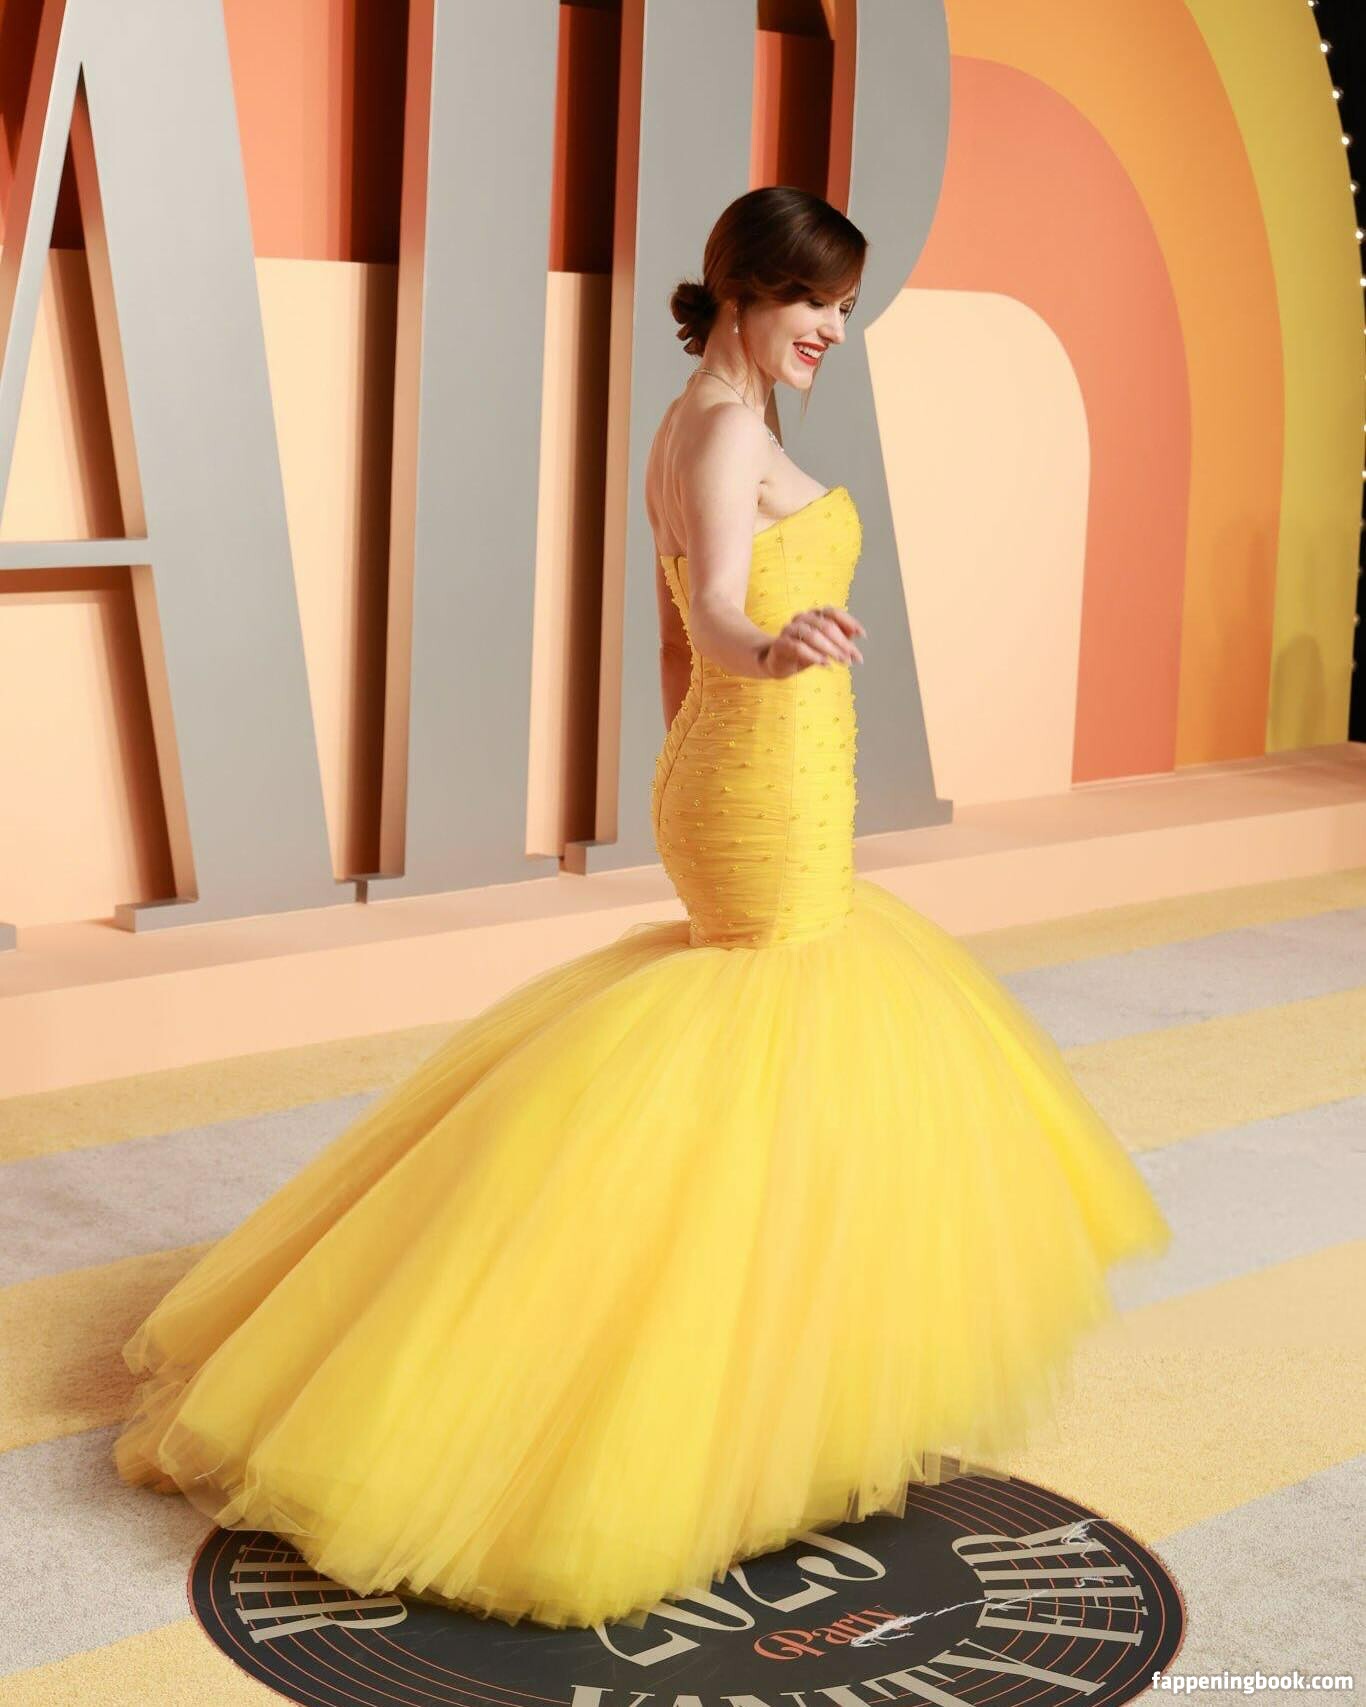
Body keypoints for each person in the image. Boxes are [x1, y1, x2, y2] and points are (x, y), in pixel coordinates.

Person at [112, 186, 1170, 1633]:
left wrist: (709, 737)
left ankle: (769, 1386)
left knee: (774, 1073)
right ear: (746, 291)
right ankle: (687, 1414)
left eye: (845, 311)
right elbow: (718, 610)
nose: (833, 332)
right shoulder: (724, 432)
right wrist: (770, 658)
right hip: (760, 775)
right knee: (772, 1055)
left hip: (745, 775)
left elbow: (680, 638)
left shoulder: (695, 420)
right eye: (816, 304)